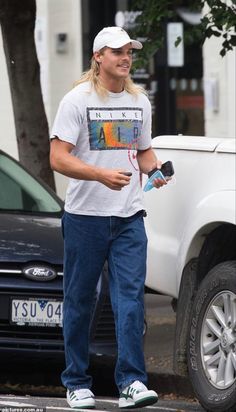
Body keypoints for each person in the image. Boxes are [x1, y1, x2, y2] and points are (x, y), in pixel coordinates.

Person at [50, 26, 167, 410]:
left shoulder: (140, 101)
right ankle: (76, 382)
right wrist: (100, 174)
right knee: (81, 301)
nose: (125, 57)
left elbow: (144, 152)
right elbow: (58, 157)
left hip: (130, 216)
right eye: (117, 51)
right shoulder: (76, 101)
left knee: (131, 301)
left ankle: (131, 382)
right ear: (98, 57)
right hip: (85, 217)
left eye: (129, 51)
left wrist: (155, 172)